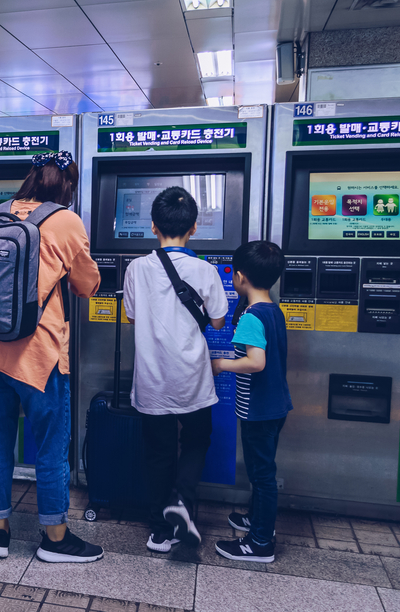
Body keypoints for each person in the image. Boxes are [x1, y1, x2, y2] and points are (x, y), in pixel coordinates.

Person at [0, 151, 104, 563]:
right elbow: (87, 284)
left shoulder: (1, 211)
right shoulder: (65, 220)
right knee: (49, 446)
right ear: (67, 186)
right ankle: (55, 539)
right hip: (37, 356)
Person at [122, 186, 228, 553]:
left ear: (153, 226)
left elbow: (131, 315)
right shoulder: (205, 270)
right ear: (194, 228)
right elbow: (216, 322)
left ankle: (159, 531)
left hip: (152, 377)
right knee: (198, 439)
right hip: (192, 377)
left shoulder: (137, 268)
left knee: (158, 452)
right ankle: (182, 500)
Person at [212, 241, 292, 563]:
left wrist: (221, 364)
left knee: (262, 475)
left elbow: (255, 362)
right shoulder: (272, 310)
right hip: (273, 405)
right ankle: (257, 519)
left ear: (240, 277)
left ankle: (260, 542)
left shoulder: (250, 317)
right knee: (262, 470)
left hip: (259, 409)